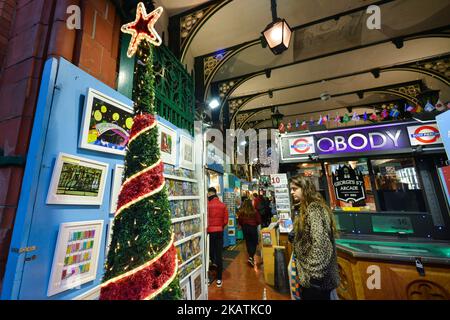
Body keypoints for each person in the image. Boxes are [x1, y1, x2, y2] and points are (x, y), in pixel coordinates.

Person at [289, 175, 339, 300]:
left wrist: (313, 276)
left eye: (295, 189)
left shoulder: (315, 209)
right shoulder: (305, 208)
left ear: (305, 188)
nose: (291, 192)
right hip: (312, 278)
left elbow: (321, 244)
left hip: (317, 281)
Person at [207, 187, 229, 288]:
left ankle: (208, 276)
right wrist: (220, 227)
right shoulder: (223, 205)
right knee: (219, 253)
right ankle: (219, 279)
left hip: (209, 233)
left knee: (209, 253)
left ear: (209, 194)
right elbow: (225, 221)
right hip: (219, 231)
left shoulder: (207, 205)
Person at [237, 198, 261, 267]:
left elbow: (240, 220)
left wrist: (242, 225)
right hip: (253, 228)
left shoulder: (242, 212)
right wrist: (255, 224)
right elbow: (259, 221)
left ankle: (251, 257)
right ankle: (251, 257)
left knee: (248, 242)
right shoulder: (254, 211)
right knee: (254, 242)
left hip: (245, 228)